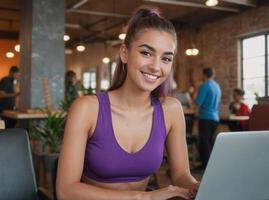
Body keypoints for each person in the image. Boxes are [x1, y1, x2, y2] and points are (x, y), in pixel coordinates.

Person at [56, 7, 199, 200]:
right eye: (146, 53)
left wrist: (198, 186)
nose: (156, 66)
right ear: (124, 53)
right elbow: (66, 190)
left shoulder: (171, 109)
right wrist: (144, 197)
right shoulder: (87, 109)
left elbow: (181, 175)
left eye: (166, 58)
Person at [194, 67, 221, 169]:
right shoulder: (217, 86)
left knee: (204, 142)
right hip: (215, 118)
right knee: (210, 141)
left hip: (205, 117)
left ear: (204, 74)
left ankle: (205, 165)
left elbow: (198, 102)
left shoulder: (205, 85)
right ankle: (212, 164)